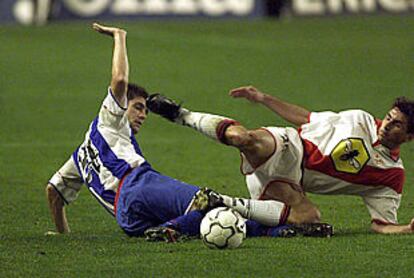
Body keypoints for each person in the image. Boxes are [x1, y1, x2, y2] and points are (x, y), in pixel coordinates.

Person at [45, 24, 332, 242]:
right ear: (121, 107)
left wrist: (63, 235)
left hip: (128, 219)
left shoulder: (81, 154)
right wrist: (119, 37)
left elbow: (54, 192)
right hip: (139, 186)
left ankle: (271, 231)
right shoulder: (109, 120)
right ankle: (293, 220)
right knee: (209, 201)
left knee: (201, 218)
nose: (143, 114)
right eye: (138, 108)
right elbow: (120, 80)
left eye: (145, 110)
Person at [147, 86, 414, 234]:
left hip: (291, 184)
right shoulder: (361, 119)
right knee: (244, 139)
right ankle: (181, 115)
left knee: (310, 217)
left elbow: (382, 225)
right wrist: (264, 99)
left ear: (408, 137)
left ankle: (221, 202)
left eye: (397, 125)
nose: (387, 125)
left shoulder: (391, 176)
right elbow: (307, 119)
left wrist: (406, 229)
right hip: (288, 147)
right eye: (389, 117)